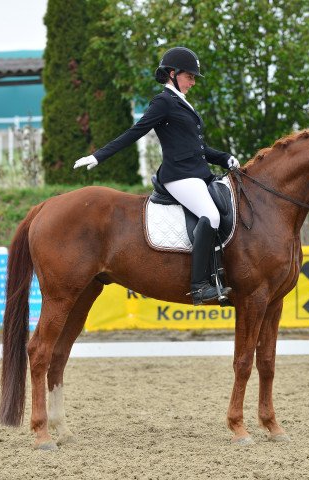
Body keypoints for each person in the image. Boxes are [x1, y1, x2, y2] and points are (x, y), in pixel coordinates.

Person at [74, 46, 239, 305]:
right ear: (172, 74)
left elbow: (196, 147)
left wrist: (224, 157)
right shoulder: (163, 102)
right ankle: (199, 286)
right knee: (212, 215)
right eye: (190, 76)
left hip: (197, 174)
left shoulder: (183, 103)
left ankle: (217, 275)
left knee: (222, 211)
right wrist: (99, 156)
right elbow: (135, 131)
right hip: (179, 176)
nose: (193, 82)